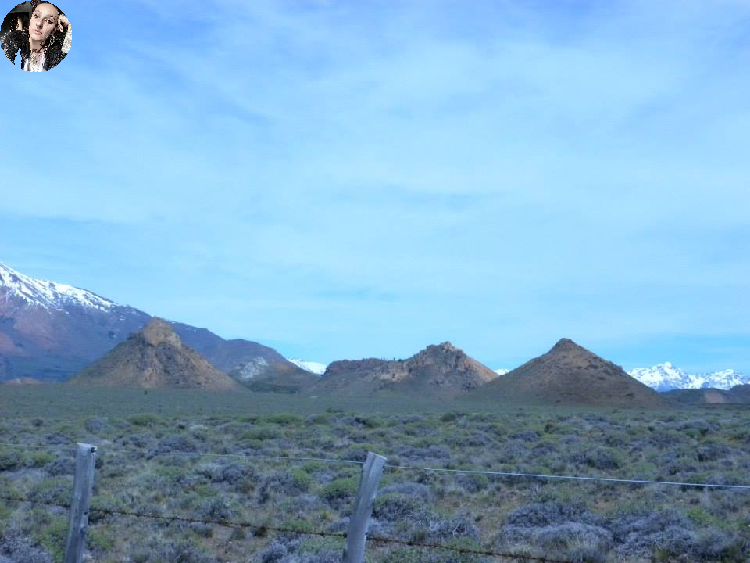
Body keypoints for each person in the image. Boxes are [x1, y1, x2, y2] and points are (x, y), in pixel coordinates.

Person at [1, 1, 69, 71]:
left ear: (54, 30)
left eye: (49, 21)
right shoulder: (13, 40)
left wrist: (69, 24)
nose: (39, 23)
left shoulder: (56, 53)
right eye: (36, 16)